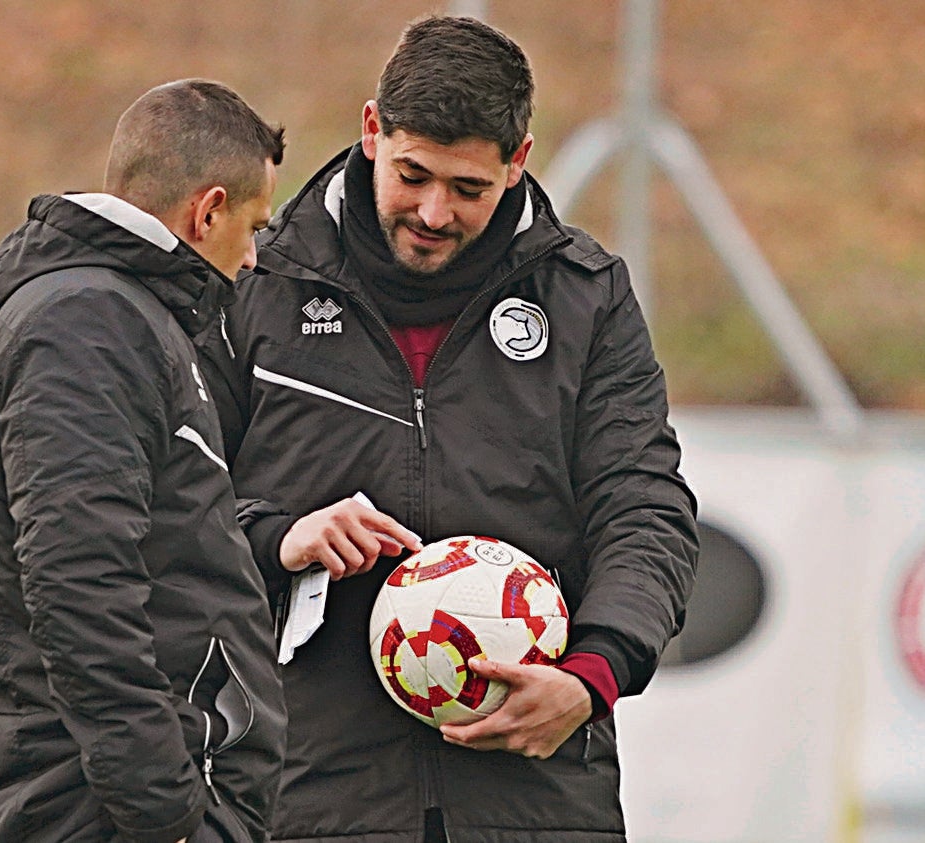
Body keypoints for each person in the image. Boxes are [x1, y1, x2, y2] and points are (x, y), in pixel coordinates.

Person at [203, 16, 699, 842]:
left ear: (518, 161)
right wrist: (280, 536)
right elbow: (177, 503)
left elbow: (644, 508)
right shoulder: (260, 282)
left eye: (468, 189)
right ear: (372, 130)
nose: (433, 212)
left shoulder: (585, 298)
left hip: (537, 797)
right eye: (413, 175)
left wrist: (590, 677)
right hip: (308, 795)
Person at [0, 79, 293, 843]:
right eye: (253, 225)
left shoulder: (122, 317)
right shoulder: (90, 323)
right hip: (95, 810)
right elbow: (78, 583)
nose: (254, 255)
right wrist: (166, 812)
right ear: (207, 211)